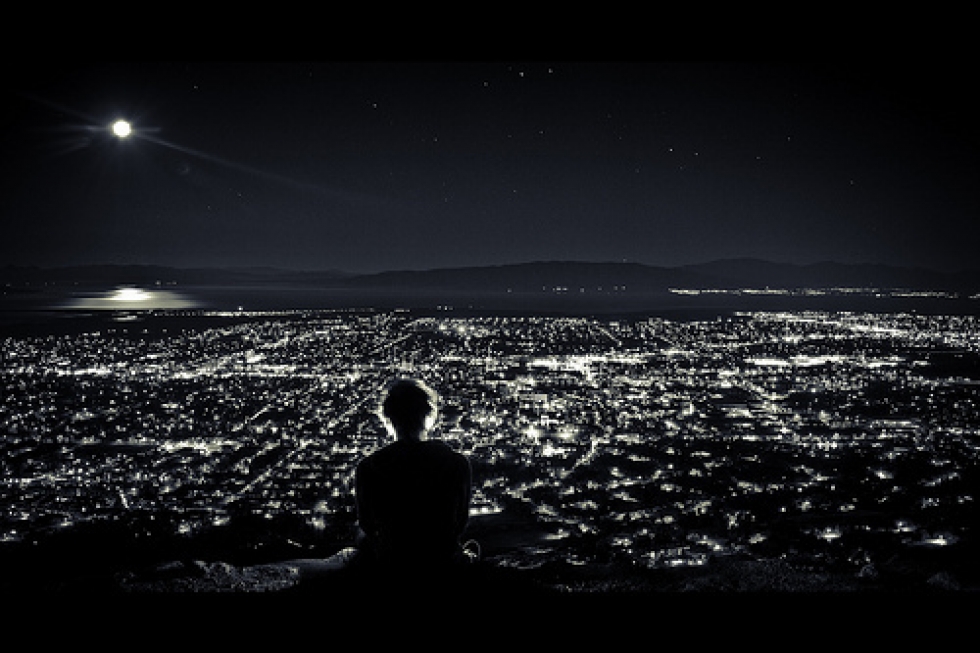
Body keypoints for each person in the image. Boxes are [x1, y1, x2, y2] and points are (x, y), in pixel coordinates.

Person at [352, 378, 475, 576]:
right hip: (442, 563)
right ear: (428, 415)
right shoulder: (456, 463)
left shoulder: (368, 468)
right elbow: (459, 522)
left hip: (392, 565)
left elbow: (367, 525)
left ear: (387, 418)